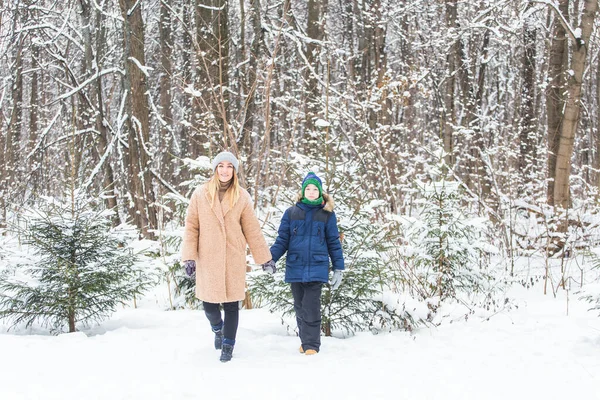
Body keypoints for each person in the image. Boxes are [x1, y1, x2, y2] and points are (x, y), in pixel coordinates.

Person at [181, 151, 274, 362]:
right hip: (208, 257)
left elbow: (252, 229)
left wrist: (264, 258)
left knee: (232, 304)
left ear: (234, 170)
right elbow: (191, 226)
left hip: (233, 256)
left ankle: (228, 346)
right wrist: (189, 257)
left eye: (229, 166)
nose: (225, 170)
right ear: (215, 169)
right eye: (221, 166)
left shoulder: (242, 196)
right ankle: (218, 329)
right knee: (209, 305)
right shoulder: (200, 194)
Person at [267, 172, 344, 355]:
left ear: (320, 192)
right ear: (302, 191)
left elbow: (334, 242)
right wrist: (270, 259)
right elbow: (282, 240)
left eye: (314, 189)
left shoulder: (326, 215)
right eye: (307, 188)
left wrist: (338, 267)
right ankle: (305, 341)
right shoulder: (291, 213)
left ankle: (311, 345)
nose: (311, 192)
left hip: (317, 267)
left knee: (311, 306)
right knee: (300, 306)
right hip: (295, 266)